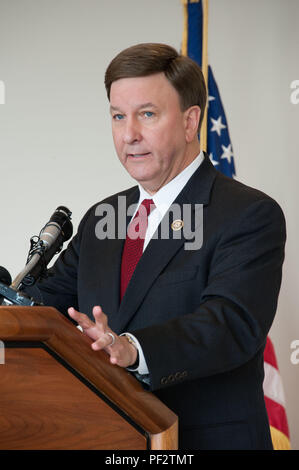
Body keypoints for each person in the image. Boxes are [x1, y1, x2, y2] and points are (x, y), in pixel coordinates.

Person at [25, 43, 286, 450]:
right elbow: (45, 306)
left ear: (190, 122)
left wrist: (132, 348)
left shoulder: (248, 213)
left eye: (147, 114)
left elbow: (231, 324)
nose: (129, 134)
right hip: (109, 441)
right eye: (117, 116)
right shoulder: (102, 218)